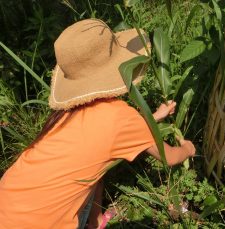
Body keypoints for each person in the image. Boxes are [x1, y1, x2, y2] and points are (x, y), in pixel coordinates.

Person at [0, 19, 195, 229]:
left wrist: (154, 116)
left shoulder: (67, 112)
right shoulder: (119, 116)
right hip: (44, 224)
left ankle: (96, 222)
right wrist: (188, 148)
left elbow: (112, 130)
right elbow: (170, 158)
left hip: (9, 201)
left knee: (95, 173)